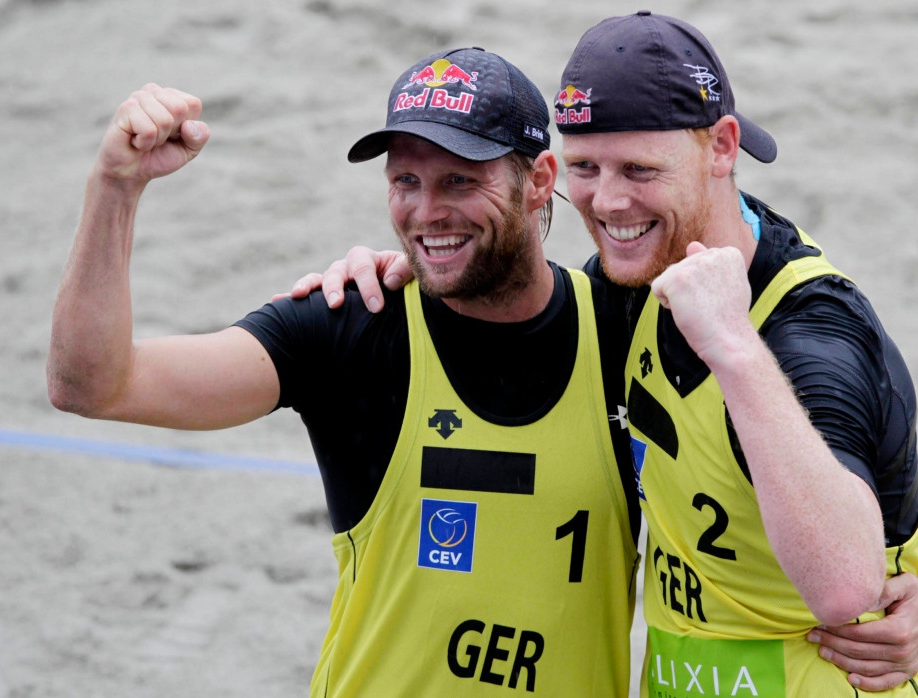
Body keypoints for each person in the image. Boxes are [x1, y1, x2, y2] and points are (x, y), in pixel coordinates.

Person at [295, 13, 918, 696]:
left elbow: (847, 584)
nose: (607, 202)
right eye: (585, 168)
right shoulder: (629, 284)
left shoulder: (811, 333)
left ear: (722, 147)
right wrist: (403, 267)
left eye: (638, 169)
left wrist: (733, 349)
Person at [47, 48, 641, 696]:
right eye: (405, 181)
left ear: (539, 179)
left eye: (460, 182)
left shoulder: (623, 333)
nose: (426, 212)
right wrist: (115, 187)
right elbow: (93, 385)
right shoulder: (352, 328)